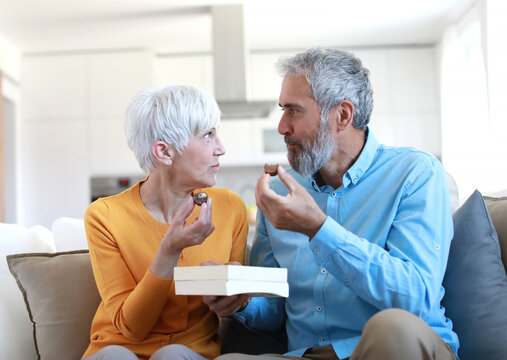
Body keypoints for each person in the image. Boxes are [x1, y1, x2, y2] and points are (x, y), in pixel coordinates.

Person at [207, 49, 458, 360]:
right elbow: (273, 306)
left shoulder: (415, 173)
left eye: (294, 111)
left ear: (342, 115)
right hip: (308, 354)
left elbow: (414, 297)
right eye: (282, 111)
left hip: (394, 347)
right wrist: (242, 300)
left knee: (390, 328)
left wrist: (318, 228)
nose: (282, 126)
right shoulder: (278, 190)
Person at [82, 84, 248, 360]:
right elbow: (132, 328)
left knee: (173, 355)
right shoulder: (104, 216)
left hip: (189, 354)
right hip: (118, 349)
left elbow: (232, 306)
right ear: (165, 152)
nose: (221, 148)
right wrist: (169, 250)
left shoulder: (230, 207)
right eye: (208, 135)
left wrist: (235, 292)